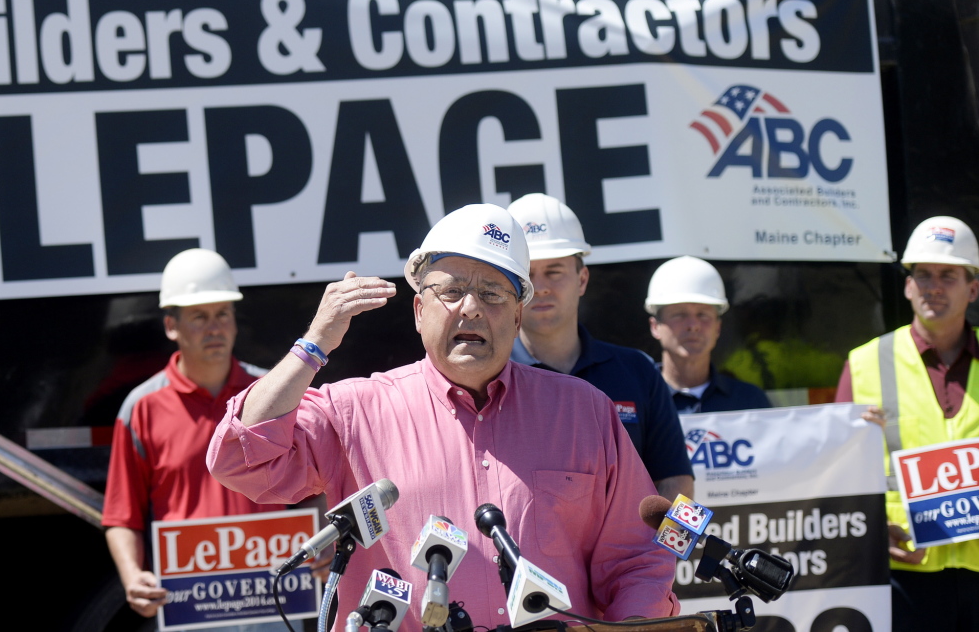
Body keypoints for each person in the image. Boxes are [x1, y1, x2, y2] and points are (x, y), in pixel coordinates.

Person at [207, 203, 680, 632]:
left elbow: (639, 557)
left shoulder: (583, 411)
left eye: (493, 294)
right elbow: (237, 459)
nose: (471, 307)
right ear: (418, 310)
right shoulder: (355, 411)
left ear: (518, 318)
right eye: (451, 290)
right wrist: (313, 346)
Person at [101, 248, 287, 631]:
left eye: (223, 314)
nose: (215, 327)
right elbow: (122, 515)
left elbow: (318, 485)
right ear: (171, 326)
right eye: (199, 317)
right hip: (189, 611)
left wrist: (322, 543)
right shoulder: (141, 408)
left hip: (273, 604)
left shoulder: (272, 393)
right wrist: (132, 577)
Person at [835, 215, 979, 631]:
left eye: (947, 275)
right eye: (923, 274)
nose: (933, 285)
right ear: (907, 285)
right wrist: (872, 529)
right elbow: (839, 472)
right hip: (905, 573)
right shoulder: (864, 363)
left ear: (973, 288)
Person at [506, 193, 693, 502]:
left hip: (632, 553)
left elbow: (679, 486)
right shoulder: (487, 376)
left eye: (554, 271)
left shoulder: (638, 372)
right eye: (527, 273)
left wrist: (664, 551)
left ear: (582, 279)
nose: (541, 287)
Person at [646, 256, 772, 415]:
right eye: (679, 315)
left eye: (703, 315)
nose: (693, 326)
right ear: (655, 326)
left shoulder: (750, 401)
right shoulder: (638, 401)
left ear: (718, 327)